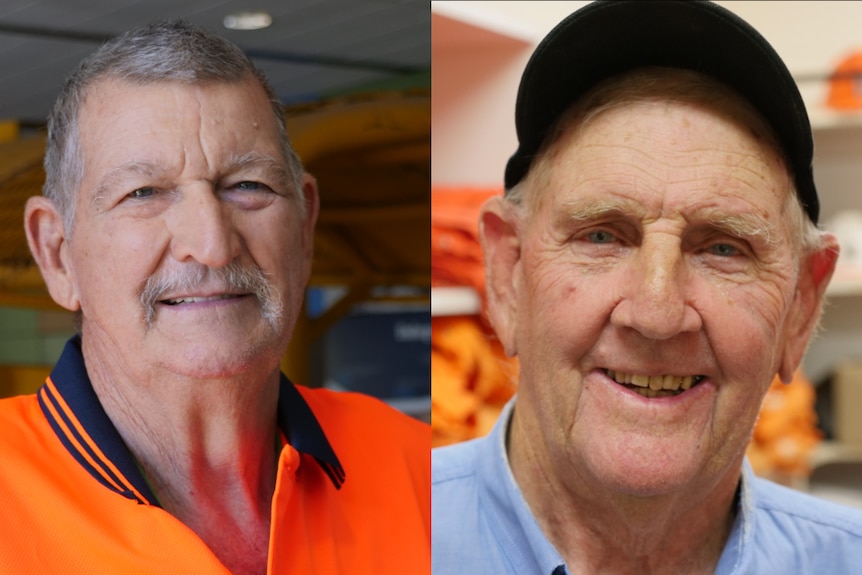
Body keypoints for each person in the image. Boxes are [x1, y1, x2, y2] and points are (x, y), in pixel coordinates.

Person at [432, 1, 862, 574]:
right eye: (602, 235)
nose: (657, 313)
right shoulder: (368, 544)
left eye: (723, 248)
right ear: (508, 276)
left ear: (801, 309)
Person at [0, 20, 429, 575]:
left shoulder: (417, 462)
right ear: (57, 253)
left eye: (248, 185)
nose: (212, 245)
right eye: (144, 193)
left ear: (303, 228)